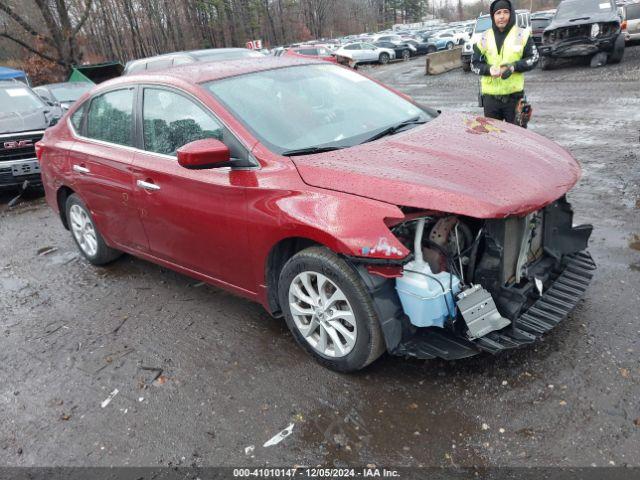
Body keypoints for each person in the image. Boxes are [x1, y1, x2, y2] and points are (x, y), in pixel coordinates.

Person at [471, 0, 539, 125]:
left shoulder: (522, 34)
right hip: (490, 100)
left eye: (505, 12)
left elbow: (534, 58)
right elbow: (474, 64)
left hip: (514, 98)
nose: (502, 16)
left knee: (517, 139)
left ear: (511, 14)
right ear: (493, 16)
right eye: (498, 13)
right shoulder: (484, 37)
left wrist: (514, 67)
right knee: (494, 139)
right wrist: (489, 70)